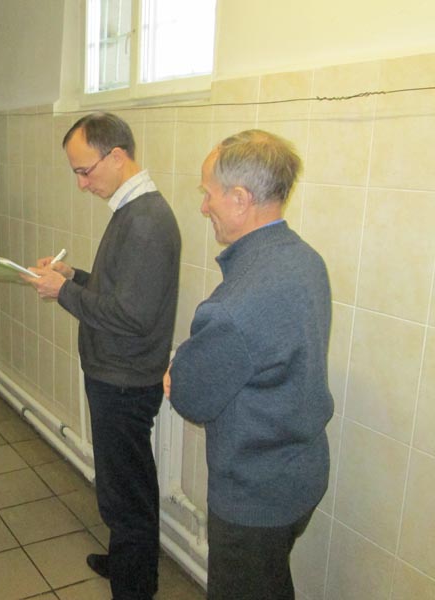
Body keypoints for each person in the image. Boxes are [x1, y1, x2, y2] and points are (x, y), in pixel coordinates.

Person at [164, 130, 333, 600]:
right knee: (269, 583)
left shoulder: (236, 305)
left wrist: (178, 372)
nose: (204, 207)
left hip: (255, 495)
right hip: (301, 472)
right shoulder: (305, 260)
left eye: (208, 194)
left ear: (240, 199)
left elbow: (190, 395)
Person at [23, 112, 181, 600]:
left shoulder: (146, 221)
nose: (81, 184)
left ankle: (134, 587)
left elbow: (131, 317)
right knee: (121, 484)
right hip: (114, 374)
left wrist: (63, 293)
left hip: (125, 381)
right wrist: (72, 277)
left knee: (126, 494)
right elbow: (120, 294)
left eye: (84, 171)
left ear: (116, 156)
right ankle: (125, 562)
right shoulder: (130, 210)